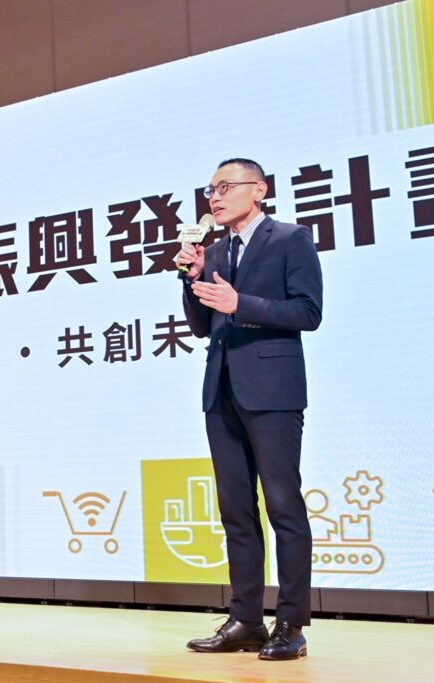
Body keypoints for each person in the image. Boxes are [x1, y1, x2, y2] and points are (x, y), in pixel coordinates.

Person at [174, 158, 322, 661]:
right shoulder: (216, 250)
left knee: (283, 506)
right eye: (210, 190)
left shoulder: (291, 239)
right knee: (235, 511)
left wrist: (242, 303)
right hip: (222, 392)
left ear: (258, 189)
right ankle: (246, 620)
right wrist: (191, 279)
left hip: (273, 392)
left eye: (224, 187)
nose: (214, 198)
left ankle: (291, 624)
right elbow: (201, 325)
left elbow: (308, 312)